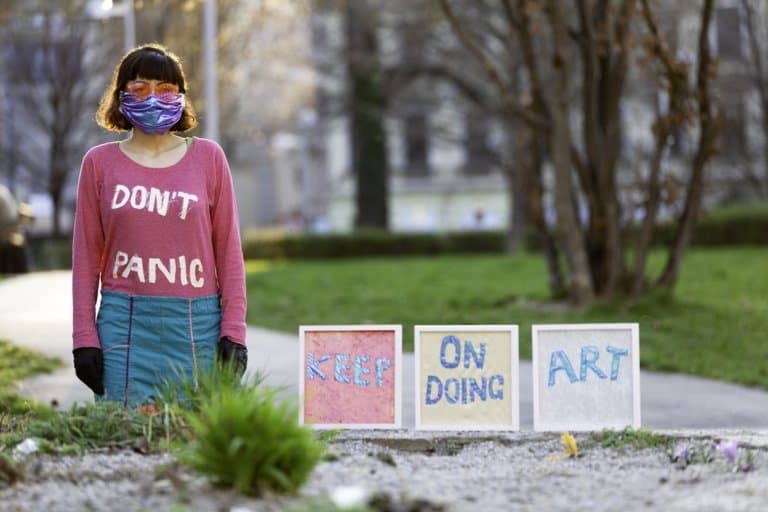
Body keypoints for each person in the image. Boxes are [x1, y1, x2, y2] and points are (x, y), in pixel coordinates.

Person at [72, 44, 247, 406]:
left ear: (181, 97)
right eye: (139, 88)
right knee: (123, 441)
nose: (153, 97)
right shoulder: (99, 164)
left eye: (165, 89)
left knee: (196, 440)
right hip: (125, 327)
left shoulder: (209, 159)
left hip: (198, 326)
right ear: (121, 97)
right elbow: (86, 258)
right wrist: (83, 337)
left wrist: (234, 332)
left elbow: (229, 250)